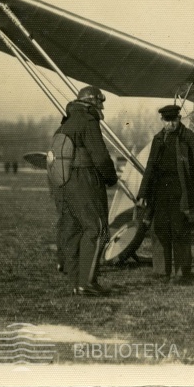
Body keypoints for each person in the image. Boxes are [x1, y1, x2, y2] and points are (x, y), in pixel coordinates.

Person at [49, 86, 119, 296]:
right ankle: (87, 283)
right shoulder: (88, 121)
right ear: (92, 102)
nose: (102, 106)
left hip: (65, 183)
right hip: (85, 180)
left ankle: (75, 281)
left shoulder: (66, 123)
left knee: (72, 230)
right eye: (100, 101)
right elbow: (100, 156)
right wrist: (111, 178)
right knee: (96, 229)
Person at [137, 105, 194, 284]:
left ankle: (182, 273)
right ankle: (161, 272)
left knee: (180, 231)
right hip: (160, 193)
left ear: (179, 119)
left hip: (181, 193)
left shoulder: (190, 139)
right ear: (162, 120)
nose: (170, 124)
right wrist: (143, 192)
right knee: (159, 230)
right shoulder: (158, 139)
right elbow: (150, 168)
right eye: (167, 121)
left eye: (173, 120)